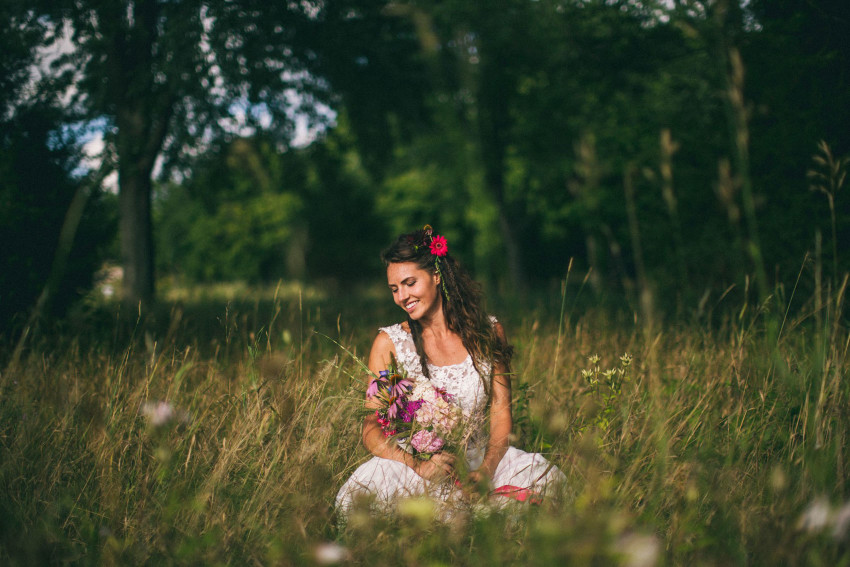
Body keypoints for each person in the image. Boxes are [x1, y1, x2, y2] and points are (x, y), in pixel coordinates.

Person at [335, 226, 564, 518]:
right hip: (417, 467)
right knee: (365, 505)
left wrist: (486, 469)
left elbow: (501, 414)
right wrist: (417, 464)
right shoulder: (390, 344)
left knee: (543, 494)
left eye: (409, 283)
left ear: (436, 276)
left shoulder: (488, 333)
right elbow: (371, 426)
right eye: (394, 289)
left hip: (481, 462)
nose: (402, 297)